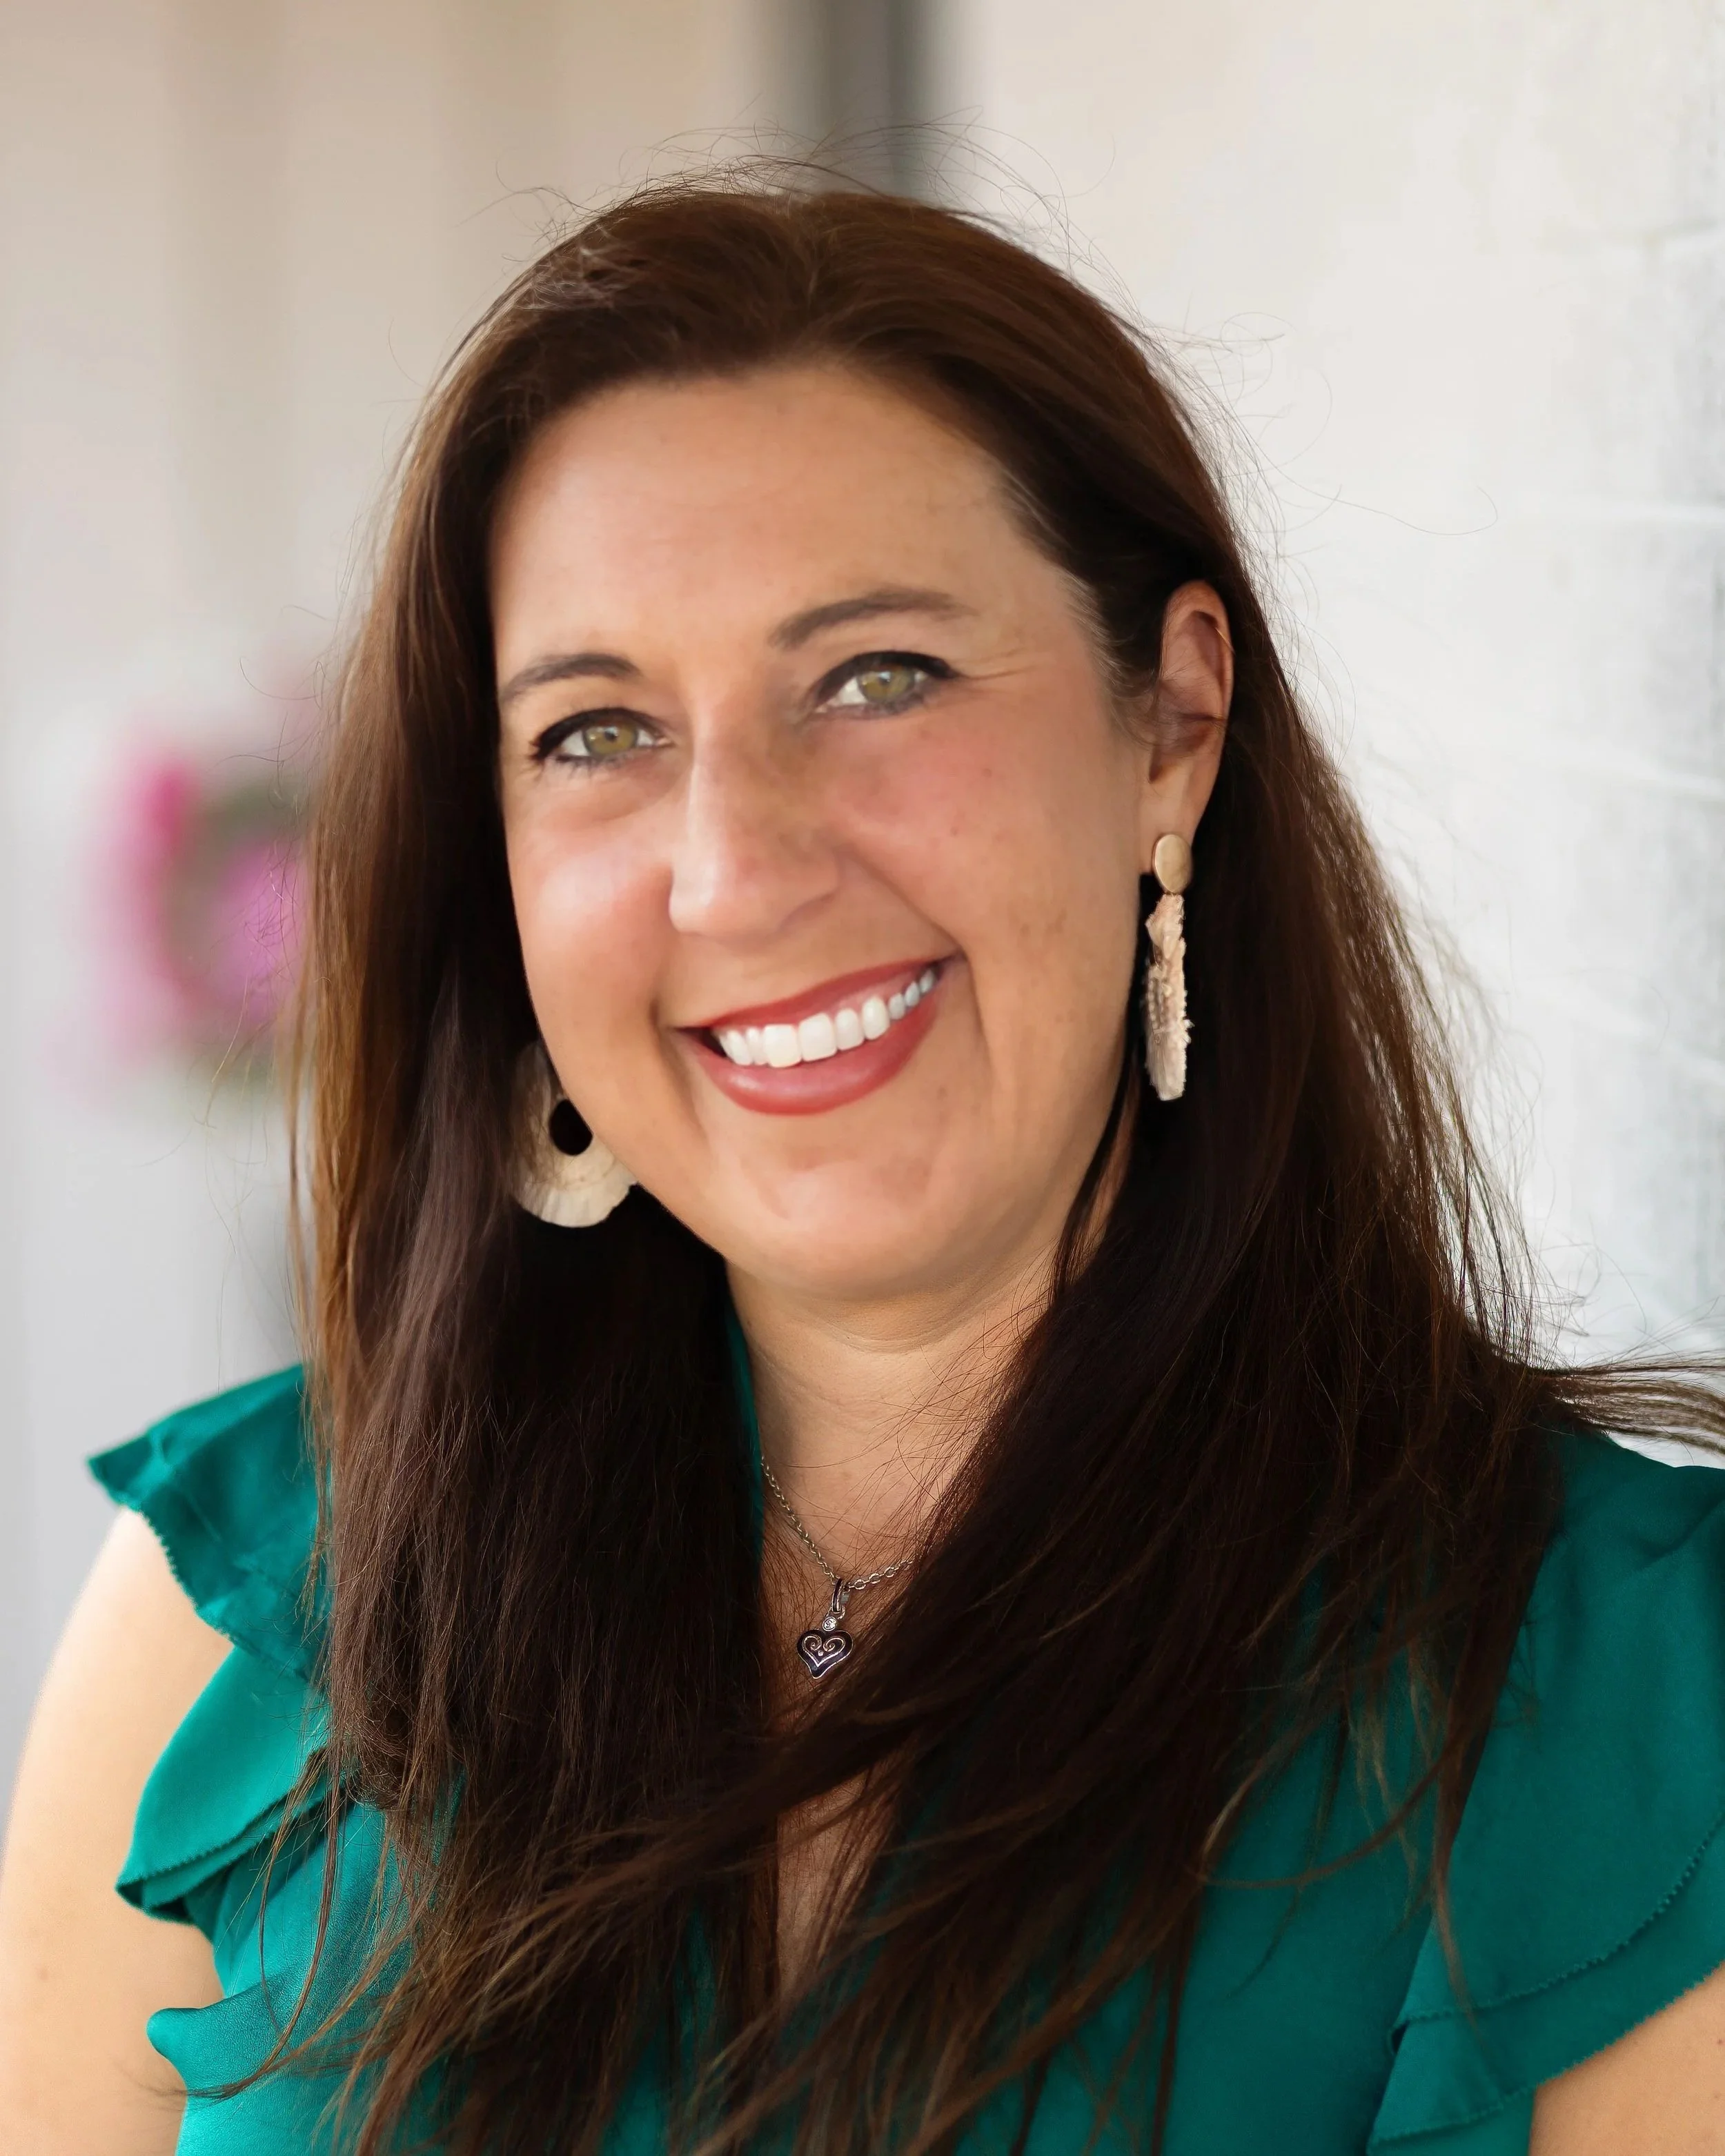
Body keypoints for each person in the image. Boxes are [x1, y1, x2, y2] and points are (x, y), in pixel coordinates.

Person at [3, 175, 1725, 2156]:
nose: (734, 869)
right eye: (595, 730)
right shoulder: (228, 1614)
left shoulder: (1614, 1708)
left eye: (875, 677)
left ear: (1169, 717)